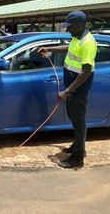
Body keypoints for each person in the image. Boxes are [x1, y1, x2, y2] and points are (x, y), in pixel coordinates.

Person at [33, 10, 97, 169]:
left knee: (79, 120)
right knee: (74, 118)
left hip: (78, 89)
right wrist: (49, 49)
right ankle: (78, 146)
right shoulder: (77, 38)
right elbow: (68, 49)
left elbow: (86, 72)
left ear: (80, 25)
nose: (67, 30)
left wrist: (67, 91)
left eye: (70, 27)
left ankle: (78, 158)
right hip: (72, 87)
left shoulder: (88, 42)